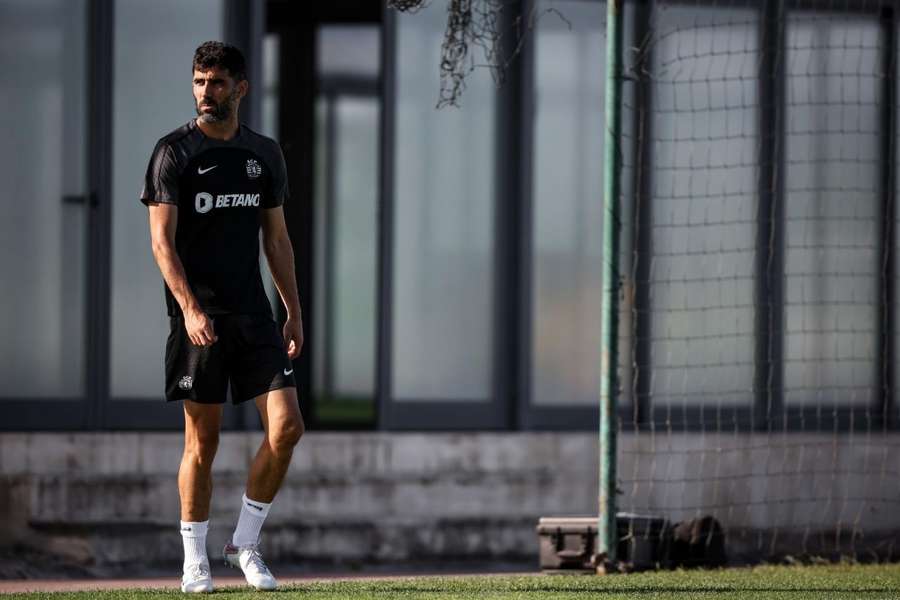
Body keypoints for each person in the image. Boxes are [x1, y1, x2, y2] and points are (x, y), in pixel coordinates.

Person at [141, 40, 305, 593]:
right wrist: (188, 309)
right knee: (202, 444)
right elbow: (162, 244)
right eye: (198, 81)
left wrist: (293, 312)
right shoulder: (173, 153)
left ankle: (244, 544)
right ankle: (195, 559)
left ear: (241, 88)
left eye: (215, 82)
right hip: (199, 317)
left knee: (287, 428)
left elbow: (276, 240)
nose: (205, 92)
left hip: (254, 315)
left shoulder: (264, 154)